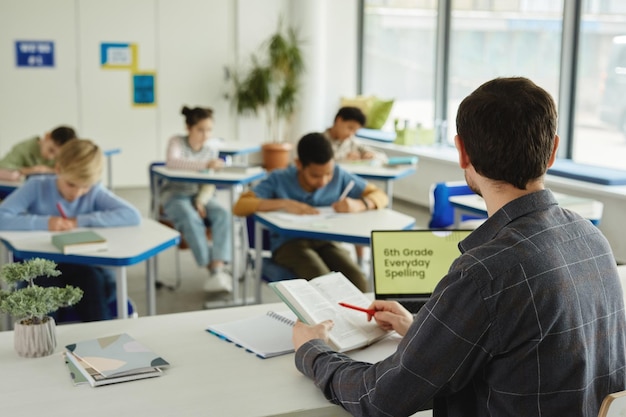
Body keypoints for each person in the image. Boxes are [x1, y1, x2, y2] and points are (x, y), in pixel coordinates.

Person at [291, 77, 626, 416]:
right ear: (553, 150)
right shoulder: (592, 239)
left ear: (462, 152)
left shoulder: (484, 273)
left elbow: (381, 398)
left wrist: (312, 350)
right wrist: (424, 333)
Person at [0, 139, 141, 322]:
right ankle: (47, 347)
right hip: (44, 267)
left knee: (92, 285)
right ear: (58, 170)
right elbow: (2, 217)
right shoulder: (37, 186)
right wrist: (45, 223)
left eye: (85, 186)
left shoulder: (94, 191)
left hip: (85, 266)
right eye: (71, 184)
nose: (77, 193)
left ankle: (99, 343)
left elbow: (132, 215)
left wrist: (79, 220)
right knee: (43, 296)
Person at [233, 132, 388, 292]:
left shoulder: (340, 175)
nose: (323, 181)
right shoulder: (279, 179)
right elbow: (240, 206)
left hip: (327, 240)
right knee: (323, 280)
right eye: (315, 175)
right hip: (289, 245)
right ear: (299, 164)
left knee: (358, 279)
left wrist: (360, 204)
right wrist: (284, 203)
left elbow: (380, 195)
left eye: (328, 173)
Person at [160, 106, 233, 293]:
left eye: (209, 130)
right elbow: (172, 163)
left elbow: (209, 184)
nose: (205, 134)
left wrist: (200, 200)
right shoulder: (176, 142)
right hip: (176, 195)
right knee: (189, 217)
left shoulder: (210, 149)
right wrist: (205, 164)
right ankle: (212, 268)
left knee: (223, 214)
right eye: (200, 129)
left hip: (200, 194)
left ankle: (218, 266)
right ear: (189, 127)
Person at [0, 125, 77, 181]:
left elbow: (75, 172)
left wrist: (48, 170)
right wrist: (28, 170)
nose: (51, 157)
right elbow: (3, 167)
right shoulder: (24, 148)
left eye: (56, 156)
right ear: (47, 136)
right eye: (51, 150)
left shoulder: (65, 155)